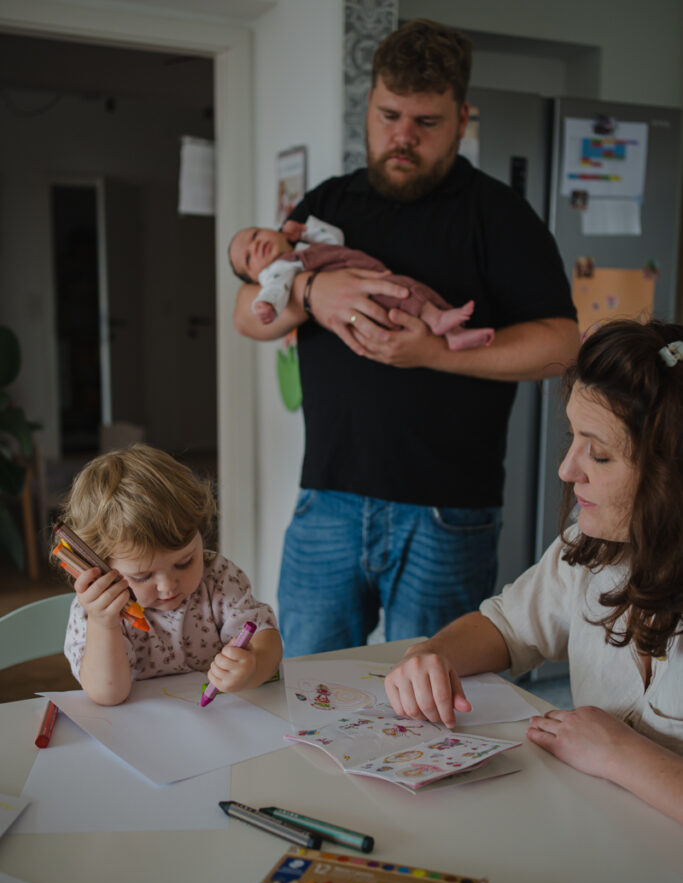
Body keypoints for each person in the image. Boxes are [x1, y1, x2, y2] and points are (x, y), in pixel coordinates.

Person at [233, 19, 579, 657]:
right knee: (303, 690)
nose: (402, 137)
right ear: (368, 106)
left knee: (433, 704)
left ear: (462, 117)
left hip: (446, 515)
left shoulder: (498, 215)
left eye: (426, 122)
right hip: (326, 501)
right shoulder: (327, 204)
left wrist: (433, 353)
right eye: (389, 115)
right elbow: (247, 311)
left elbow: (563, 345)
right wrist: (313, 294)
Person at [384, 319, 683, 823]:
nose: (567, 470)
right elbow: (506, 627)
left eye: (601, 454)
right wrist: (434, 654)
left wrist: (623, 754)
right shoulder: (595, 548)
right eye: (573, 438)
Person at [60, 444, 282, 706]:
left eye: (185, 561)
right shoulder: (99, 609)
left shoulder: (219, 577)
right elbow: (108, 695)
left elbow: (267, 639)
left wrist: (252, 667)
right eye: (143, 577)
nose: (167, 586)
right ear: (99, 566)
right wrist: (103, 623)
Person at [229, 216, 494, 351]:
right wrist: (267, 304)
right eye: (249, 257)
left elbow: (335, 238)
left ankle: (454, 333)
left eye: (254, 235)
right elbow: (278, 289)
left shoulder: (301, 245)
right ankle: (440, 323)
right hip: (367, 295)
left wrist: (306, 231)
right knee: (408, 294)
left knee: (416, 289)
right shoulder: (278, 270)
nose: (255, 246)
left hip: (375, 276)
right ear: (255, 278)